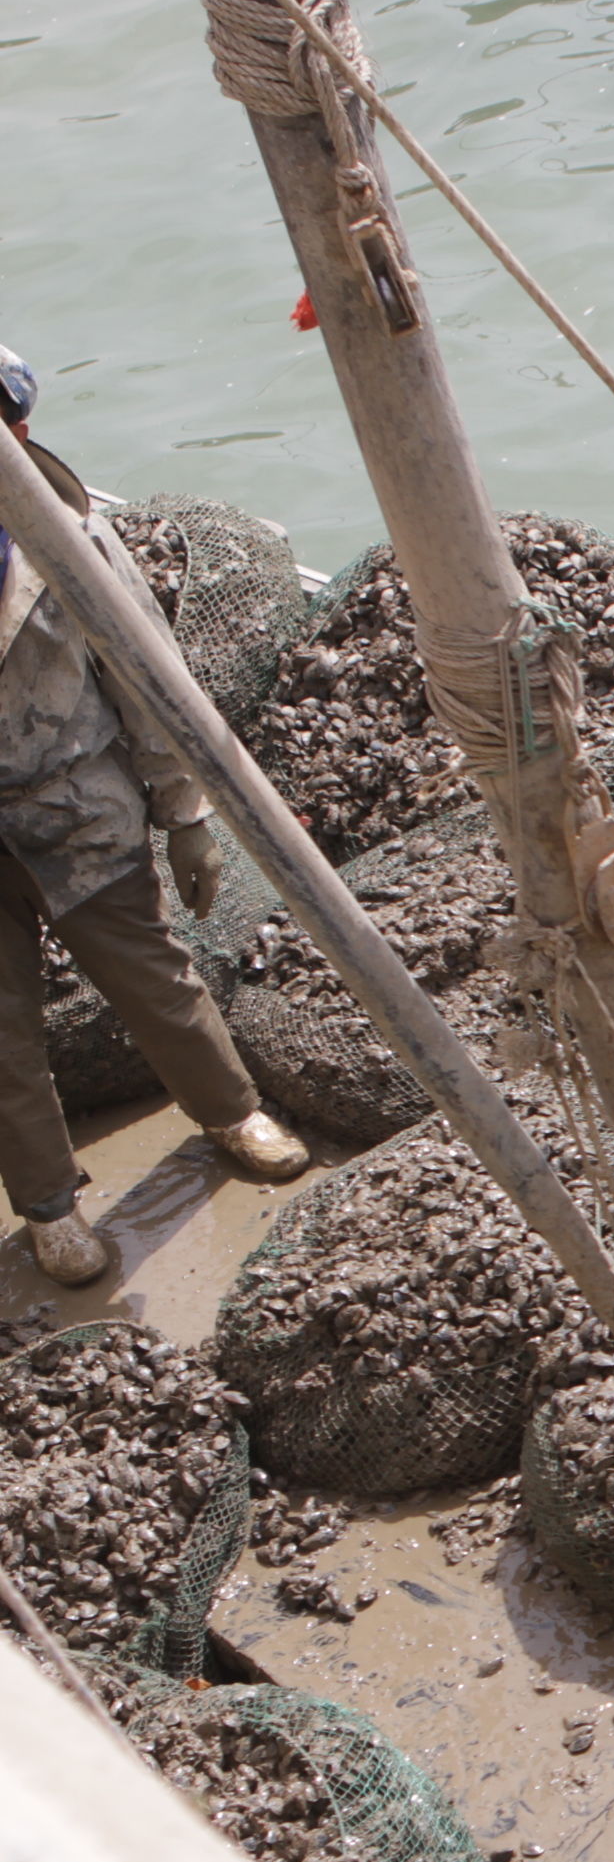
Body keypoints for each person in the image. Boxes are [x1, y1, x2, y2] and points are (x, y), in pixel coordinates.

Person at [0, 341, 307, 1284]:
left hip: (76, 804)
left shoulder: (69, 535)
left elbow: (145, 678)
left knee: (153, 978)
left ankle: (230, 1113)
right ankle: (50, 1209)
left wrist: (186, 814)